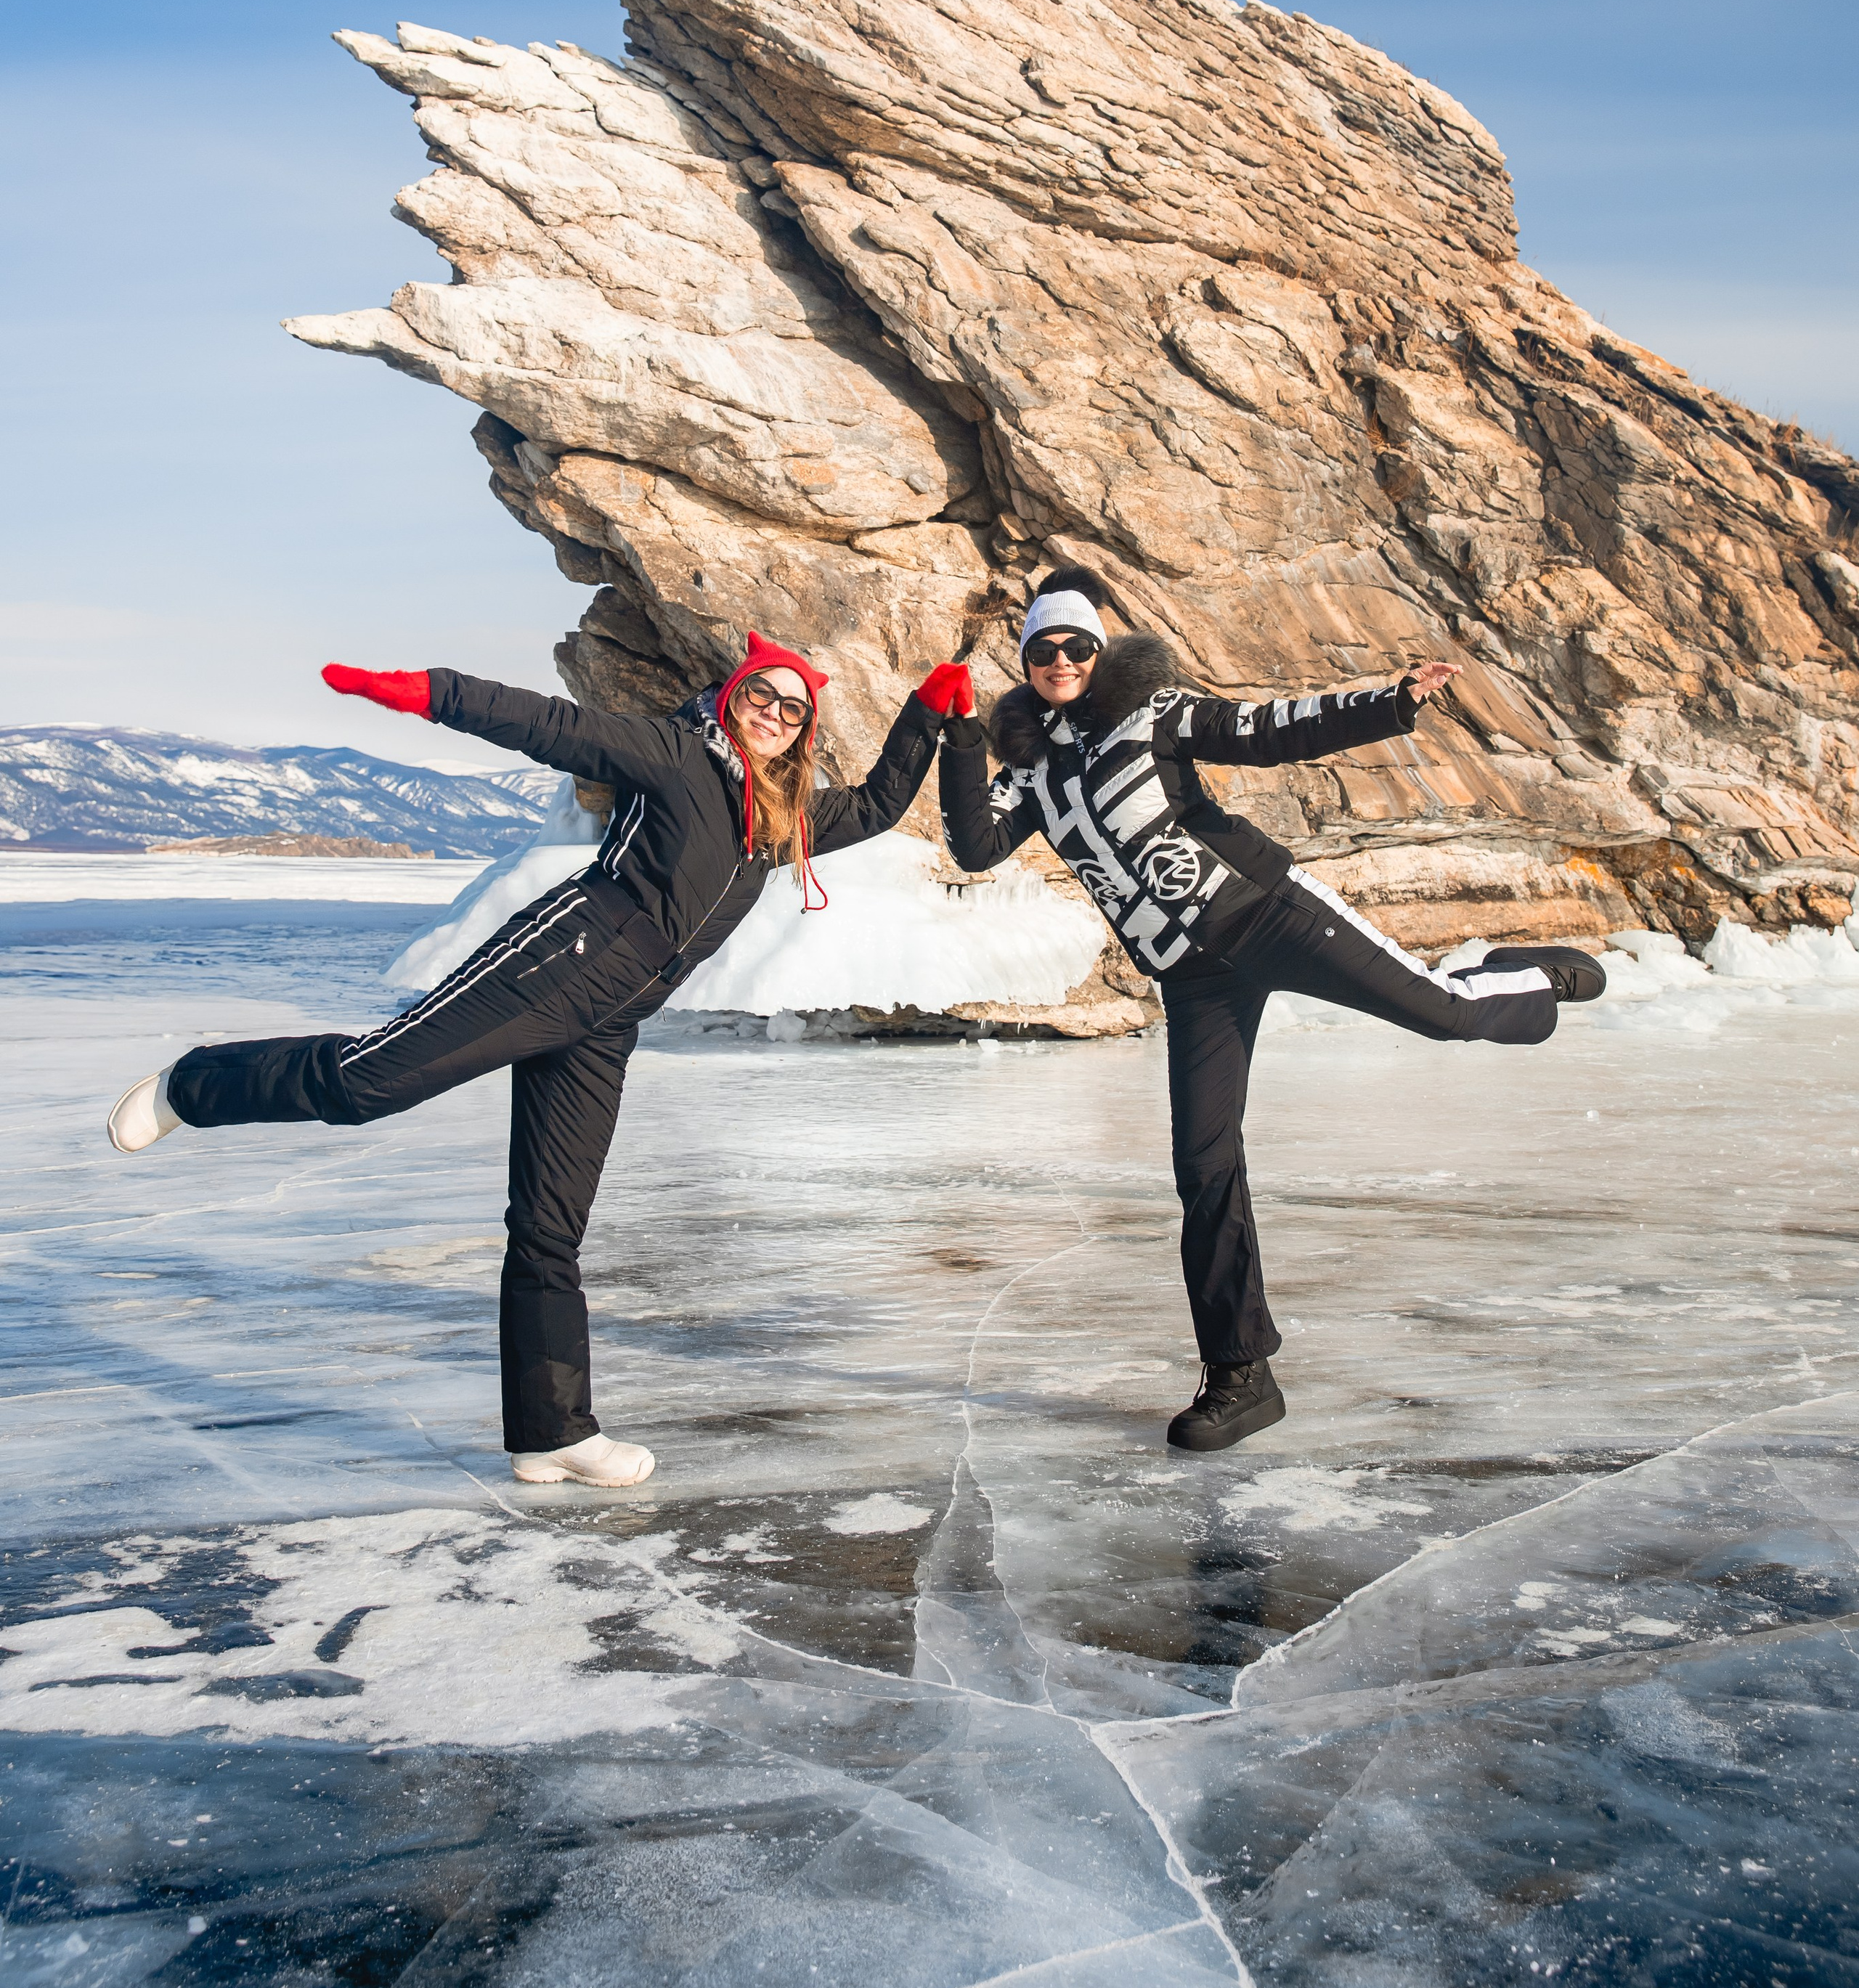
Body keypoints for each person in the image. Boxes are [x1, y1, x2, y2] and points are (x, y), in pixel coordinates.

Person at [107, 635, 977, 1488]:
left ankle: (552, 1433)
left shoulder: (780, 817)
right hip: (555, 963)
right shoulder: (675, 754)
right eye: (761, 697)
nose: (774, 718)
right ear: (731, 696)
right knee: (369, 1081)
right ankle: (195, 1085)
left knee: (551, 1228)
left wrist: (927, 712)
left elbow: (878, 806)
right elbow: (549, 724)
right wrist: (429, 692)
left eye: (793, 710)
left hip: (612, 1021)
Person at [937, 571, 1603, 1455]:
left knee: (1445, 1013)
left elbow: (1266, 731)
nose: (1061, 661)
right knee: (1204, 1167)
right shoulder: (1027, 769)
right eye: (1043, 650)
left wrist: (1391, 704)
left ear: (1099, 655)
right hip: (1191, 979)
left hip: (1268, 915)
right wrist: (955, 736)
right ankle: (1241, 1375)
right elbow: (973, 844)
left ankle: (1523, 978)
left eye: (1076, 646)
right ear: (1026, 662)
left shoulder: (1154, 712)